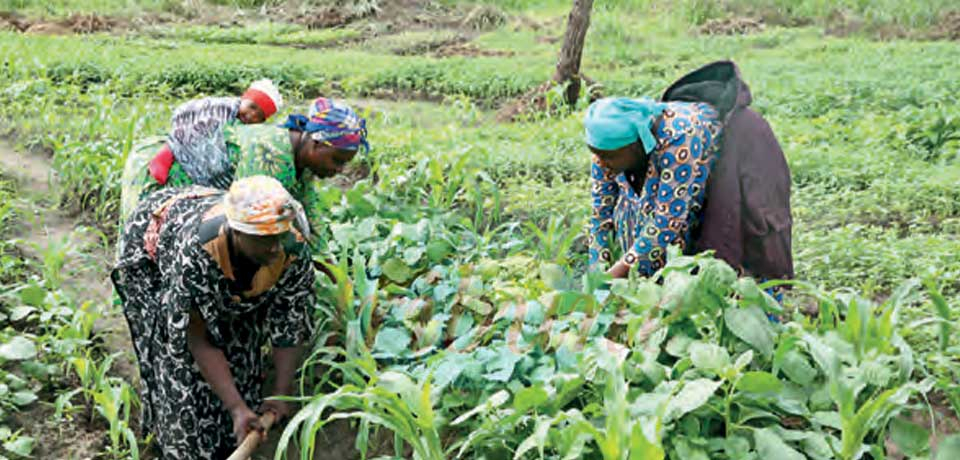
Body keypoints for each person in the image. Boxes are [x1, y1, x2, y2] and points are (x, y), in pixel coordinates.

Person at [111, 175, 315, 459]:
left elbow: (290, 321)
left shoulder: (293, 248)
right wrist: (236, 407)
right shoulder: (196, 254)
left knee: (241, 348)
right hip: (155, 250)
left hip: (223, 256)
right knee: (179, 369)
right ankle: (177, 444)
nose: (274, 247)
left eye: (278, 236)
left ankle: (230, 437)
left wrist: (279, 395)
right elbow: (196, 335)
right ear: (236, 233)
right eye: (264, 239)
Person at [585, 61, 793, 290]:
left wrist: (618, 272)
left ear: (637, 146)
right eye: (597, 155)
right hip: (683, 168)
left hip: (738, 154)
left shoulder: (680, 138)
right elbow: (600, 215)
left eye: (609, 157)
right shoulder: (607, 149)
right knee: (633, 212)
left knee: (728, 238)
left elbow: (668, 220)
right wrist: (598, 272)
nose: (602, 164)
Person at [121, 97, 369, 254]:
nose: (339, 170)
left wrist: (332, 271)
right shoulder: (269, 157)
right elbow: (247, 228)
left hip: (192, 185)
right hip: (158, 171)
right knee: (147, 246)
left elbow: (310, 218)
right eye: (337, 160)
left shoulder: (301, 162)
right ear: (316, 143)